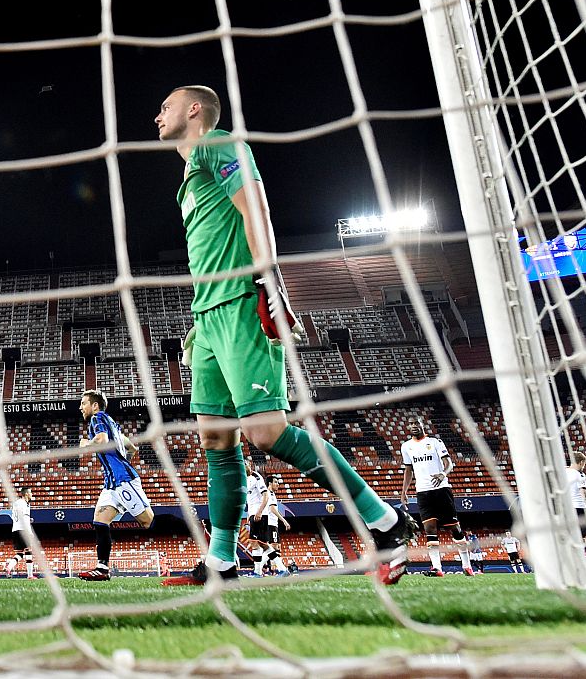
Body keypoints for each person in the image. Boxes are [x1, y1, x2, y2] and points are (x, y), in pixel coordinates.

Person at [155, 85, 414, 586]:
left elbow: (255, 207)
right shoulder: (190, 175)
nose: (157, 115)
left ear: (194, 110)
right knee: (216, 437)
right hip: (207, 317)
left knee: (265, 432)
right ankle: (222, 561)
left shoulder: (218, 144)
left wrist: (268, 277)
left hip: (240, 305)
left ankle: (384, 520)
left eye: (167, 106)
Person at [76, 390, 155, 581]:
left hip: (122, 480)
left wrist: (86, 444)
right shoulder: (113, 424)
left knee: (147, 521)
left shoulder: (97, 418)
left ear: (95, 406)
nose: (80, 407)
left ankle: (197, 529)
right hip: (111, 482)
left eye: (84, 403)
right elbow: (131, 447)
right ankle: (102, 568)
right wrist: (122, 462)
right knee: (100, 520)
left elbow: (102, 440)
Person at [400, 417, 473, 576]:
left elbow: (449, 464)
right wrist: (404, 491)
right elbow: (408, 470)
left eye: (416, 423)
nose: (414, 426)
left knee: (454, 528)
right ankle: (437, 568)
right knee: (429, 529)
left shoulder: (435, 442)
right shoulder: (406, 446)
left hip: (441, 489)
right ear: (408, 427)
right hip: (422, 492)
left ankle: (467, 566)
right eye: (411, 424)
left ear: (422, 425)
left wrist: (442, 474)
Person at [4, 488, 36, 578]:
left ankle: (9, 567)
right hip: (23, 530)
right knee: (29, 552)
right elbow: (23, 517)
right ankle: (30, 575)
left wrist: (28, 519)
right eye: (30, 492)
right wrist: (30, 532)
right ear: (26, 494)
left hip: (15, 530)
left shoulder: (17, 503)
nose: (32, 494)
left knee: (20, 554)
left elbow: (16, 516)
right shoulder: (23, 503)